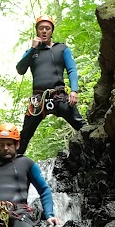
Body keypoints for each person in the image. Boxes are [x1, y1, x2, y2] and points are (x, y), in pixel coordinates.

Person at [15, 16, 85, 154]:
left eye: (48, 28)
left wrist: (74, 91)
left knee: (81, 126)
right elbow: (20, 69)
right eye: (41, 28)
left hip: (59, 96)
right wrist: (32, 48)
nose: (44, 31)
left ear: (52, 31)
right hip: (38, 100)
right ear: (37, 31)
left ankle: (99, 150)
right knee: (24, 135)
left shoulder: (62, 49)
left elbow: (72, 70)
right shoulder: (32, 52)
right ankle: (13, 165)